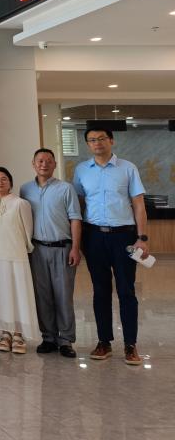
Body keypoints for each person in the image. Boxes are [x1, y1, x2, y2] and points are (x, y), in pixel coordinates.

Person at [73, 128, 149, 365]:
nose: (97, 143)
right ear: (88, 144)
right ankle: (103, 341)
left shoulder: (128, 168)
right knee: (100, 290)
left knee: (126, 290)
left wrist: (142, 238)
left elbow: (138, 204)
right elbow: (79, 204)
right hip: (94, 236)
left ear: (111, 141)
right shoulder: (81, 170)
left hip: (124, 237)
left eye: (101, 139)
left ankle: (130, 344)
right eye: (92, 140)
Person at [19, 148, 82, 358]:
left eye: (48, 161)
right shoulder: (25, 189)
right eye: (39, 161)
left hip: (62, 248)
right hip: (36, 250)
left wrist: (75, 248)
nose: (44, 164)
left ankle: (66, 340)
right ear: (33, 164)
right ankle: (48, 337)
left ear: (54, 164)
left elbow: (75, 219)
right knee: (42, 295)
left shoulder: (66, 188)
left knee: (64, 296)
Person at [0, 166, 38, 354]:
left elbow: (27, 232)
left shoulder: (20, 203)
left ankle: (18, 334)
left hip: (16, 256)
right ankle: (5, 333)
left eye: (3, 179)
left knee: (18, 294)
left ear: (10, 182)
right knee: (1, 294)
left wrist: (23, 251)